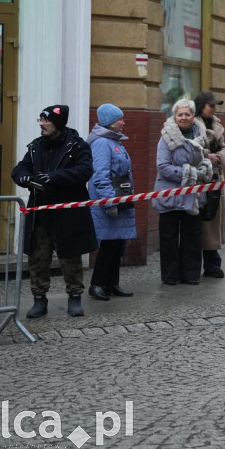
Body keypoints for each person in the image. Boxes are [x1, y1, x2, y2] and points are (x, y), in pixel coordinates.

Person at [12, 105, 98, 318]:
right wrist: (22, 177)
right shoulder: (35, 146)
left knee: (71, 257)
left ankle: (75, 298)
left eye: (45, 120)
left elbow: (84, 171)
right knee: (38, 258)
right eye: (40, 120)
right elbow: (20, 168)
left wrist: (55, 177)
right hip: (40, 213)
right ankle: (39, 300)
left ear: (58, 123)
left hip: (68, 212)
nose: (41, 124)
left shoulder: (77, 146)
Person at [152, 99, 213, 285]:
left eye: (187, 114)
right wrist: (190, 174)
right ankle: (170, 276)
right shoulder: (166, 136)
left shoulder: (200, 136)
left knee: (192, 236)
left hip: (193, 195)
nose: (184, 117)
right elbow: (163, 166)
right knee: (169, 237)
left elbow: (203, 159)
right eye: (180, 114)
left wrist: (205, 167)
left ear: (193, 116)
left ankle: (191, 274)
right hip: (170, 194)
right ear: (175, 116)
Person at [85, 104, 137, 302]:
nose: (123, 122)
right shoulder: (101, 143)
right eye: (119, 119)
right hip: (109, 204)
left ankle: (111, 283)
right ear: (109, 122)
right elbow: (100, 176)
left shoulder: (114, 142)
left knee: (117, 244)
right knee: (108, 245)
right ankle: (97, 284)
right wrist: (109, 203)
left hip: (119, 202)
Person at [193, 91, 225, 278]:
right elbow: (191, 148)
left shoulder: (216, 124)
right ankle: (204, 264)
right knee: (204, 222)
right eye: (211, 105)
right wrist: (209, 155)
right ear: (201, 106)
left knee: (213, 219)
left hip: (216, 178)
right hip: (201, 179)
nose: (214, 108)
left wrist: (220, 156)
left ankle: (213, 263)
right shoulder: (193, 123)